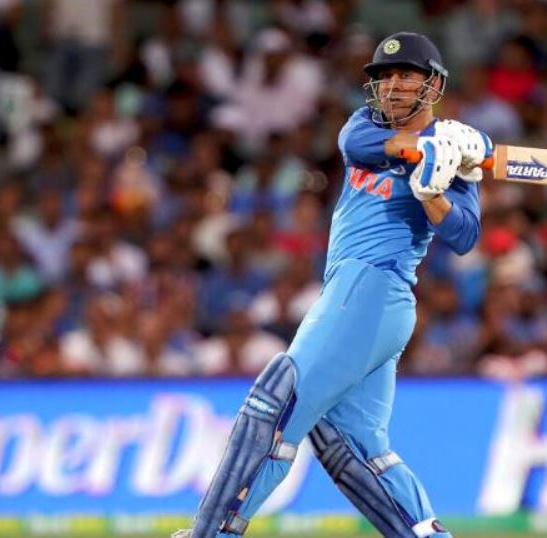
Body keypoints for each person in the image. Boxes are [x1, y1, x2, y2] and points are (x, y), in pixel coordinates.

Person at [174, 32, 492, 538]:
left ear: (433, 84)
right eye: (384, 77)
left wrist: (432, 191)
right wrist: (420, 150)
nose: (392, 86)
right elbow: (355, 146)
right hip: (354, 298)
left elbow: (464, 236)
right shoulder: (366, 125)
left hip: (373, 289)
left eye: (405, 75)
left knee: (275, 405)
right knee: (354, 446)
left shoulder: (454, 158)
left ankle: (210, 533)